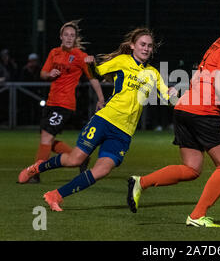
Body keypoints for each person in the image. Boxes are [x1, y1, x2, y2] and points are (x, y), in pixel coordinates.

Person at [127, 0, 220, 227]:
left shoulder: (217, 43)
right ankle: (197, 216)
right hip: (202, 111)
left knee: (191, 168)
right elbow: (218, 82)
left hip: (185, 108)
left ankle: (141, 182)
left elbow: (199, 76)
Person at [18, 27, 176, 212]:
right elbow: (97, 72)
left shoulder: (153, 73)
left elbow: (169, 99)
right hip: (105, 120)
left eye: (149, 46)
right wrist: (91, 64)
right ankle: (39, 167)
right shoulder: (123, 60)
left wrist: (173, 94)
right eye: (142, 44)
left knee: (102, 170)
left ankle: (55, 196)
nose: (146, 48)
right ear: (132, 45)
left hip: (124, 132)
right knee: (75, 159)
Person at [26, 20, 105, 183]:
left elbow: (93, 78)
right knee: (47, 138)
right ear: (61, 36)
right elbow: (43, 73)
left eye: (72, 35)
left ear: (75, 38)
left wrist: (101, 98)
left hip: (64, 104)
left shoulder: (80, 56)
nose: (69, 38)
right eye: (66, 35)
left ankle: (35, 172)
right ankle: (81, 158)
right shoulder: (54, 52)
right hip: (51, 102)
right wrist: (49, 74)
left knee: (46, 137)